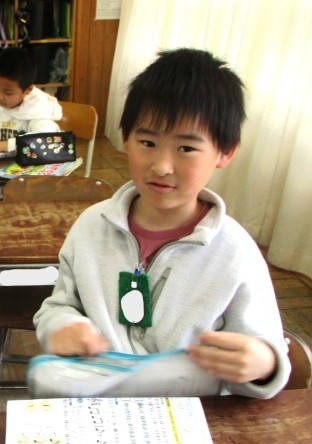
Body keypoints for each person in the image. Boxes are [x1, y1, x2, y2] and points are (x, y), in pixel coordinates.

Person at [33, 48, 290, 399]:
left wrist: (264, 363)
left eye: (186, 148)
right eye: (148, 142)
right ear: (126, 138)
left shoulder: (236, 252)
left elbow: (265, 346)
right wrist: (61, 325)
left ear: (226, 152)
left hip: (191, 415)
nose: (161, 166)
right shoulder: (91, 226)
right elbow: (58, 306)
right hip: (97, 404)